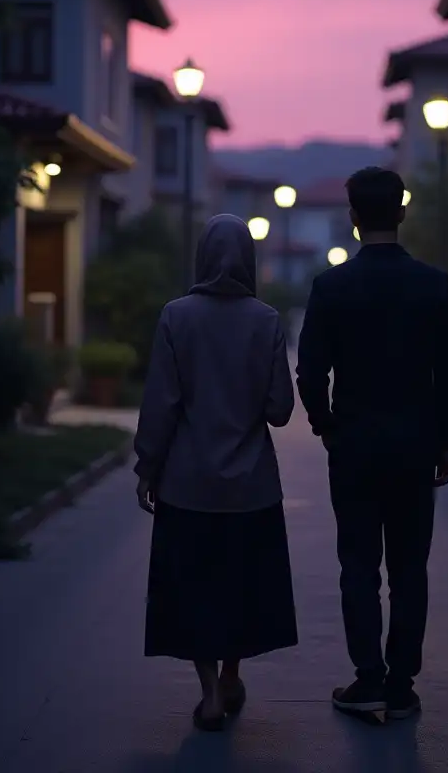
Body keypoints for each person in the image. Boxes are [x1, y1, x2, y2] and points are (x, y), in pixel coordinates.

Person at [296, 166, 448, 721]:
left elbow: (311, 371)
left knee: (359, 565)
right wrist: (446, 442)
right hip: (416, 445)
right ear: (402, 211)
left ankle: (367, 677)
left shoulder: (331, 287)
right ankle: (402, 683)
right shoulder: (434, 284)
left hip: (356, 448)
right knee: (410, 568)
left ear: (352, 217)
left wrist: (326, 426)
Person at [133, 214, 298, 732]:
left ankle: (208, 695)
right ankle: (231, 675)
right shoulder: (267, 320)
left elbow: (161, 403)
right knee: (241, 588)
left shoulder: (175, 317)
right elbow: (279, 410)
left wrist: (147, 467)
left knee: (195, 589)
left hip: (188, 484)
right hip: (251, 487)